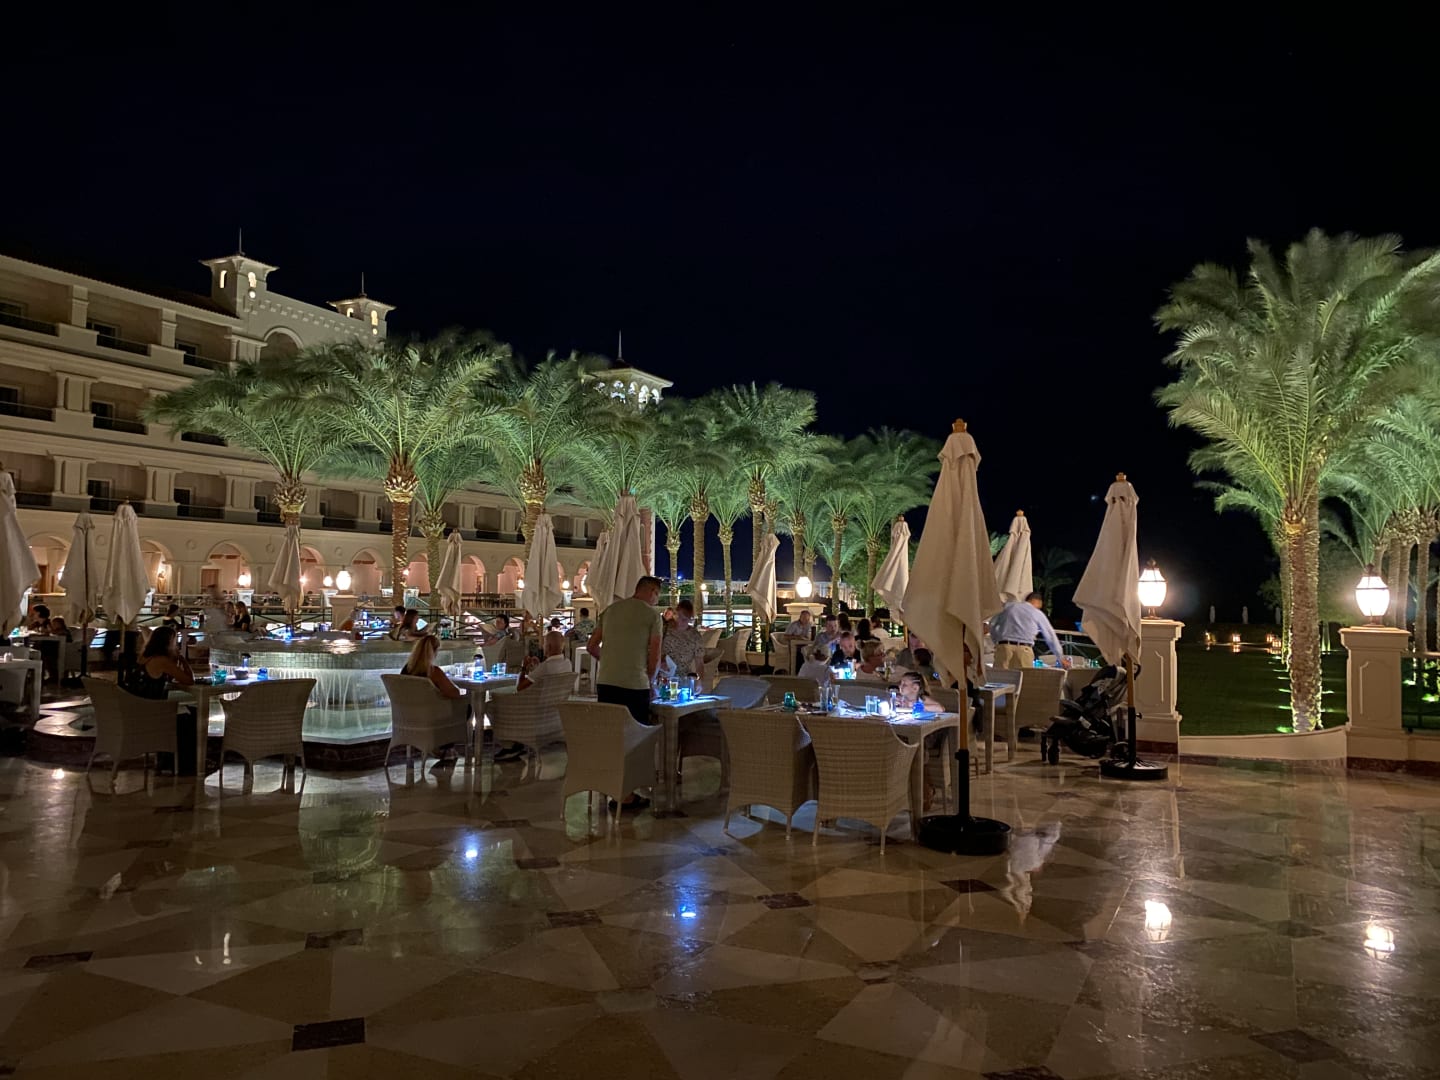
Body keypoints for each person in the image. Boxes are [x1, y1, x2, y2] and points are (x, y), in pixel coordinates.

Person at [587, 575, 664, 810]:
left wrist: (610, 660)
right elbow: (655, 655)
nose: (656, 599)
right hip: (634, 685)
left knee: (612, 735)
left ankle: (610, 785)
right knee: (634, 739)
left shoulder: (610, 610)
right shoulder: (653, 616)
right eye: (657, 594)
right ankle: (627, 794)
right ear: (652, 591)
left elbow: (591, 646)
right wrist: (650, 680)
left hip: (606, 682)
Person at [989, 591, 1072, 670]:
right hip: (1024, 650)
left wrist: (997, 641)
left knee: (999, 677)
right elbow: (1050, 636)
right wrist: (1060, 657)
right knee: (1024, 677)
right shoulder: (1037, 613)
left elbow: (992, 624)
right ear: (1038, 602)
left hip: (1004, 647)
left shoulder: (1008, 607)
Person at [399, 633, 461, 699]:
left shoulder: (406, 669)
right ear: (434, 651)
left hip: (407, 705)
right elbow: (455, 693)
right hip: (432, 705)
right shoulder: (434, 672)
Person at [662, 598, 706, 687]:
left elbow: (699, 663)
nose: (680, 622)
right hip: (664, 677)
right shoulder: (665, 630)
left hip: (683, 679)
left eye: (684, 619)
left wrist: (699, 681)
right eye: (678, 617)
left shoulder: (695, 636)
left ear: (690, 619)